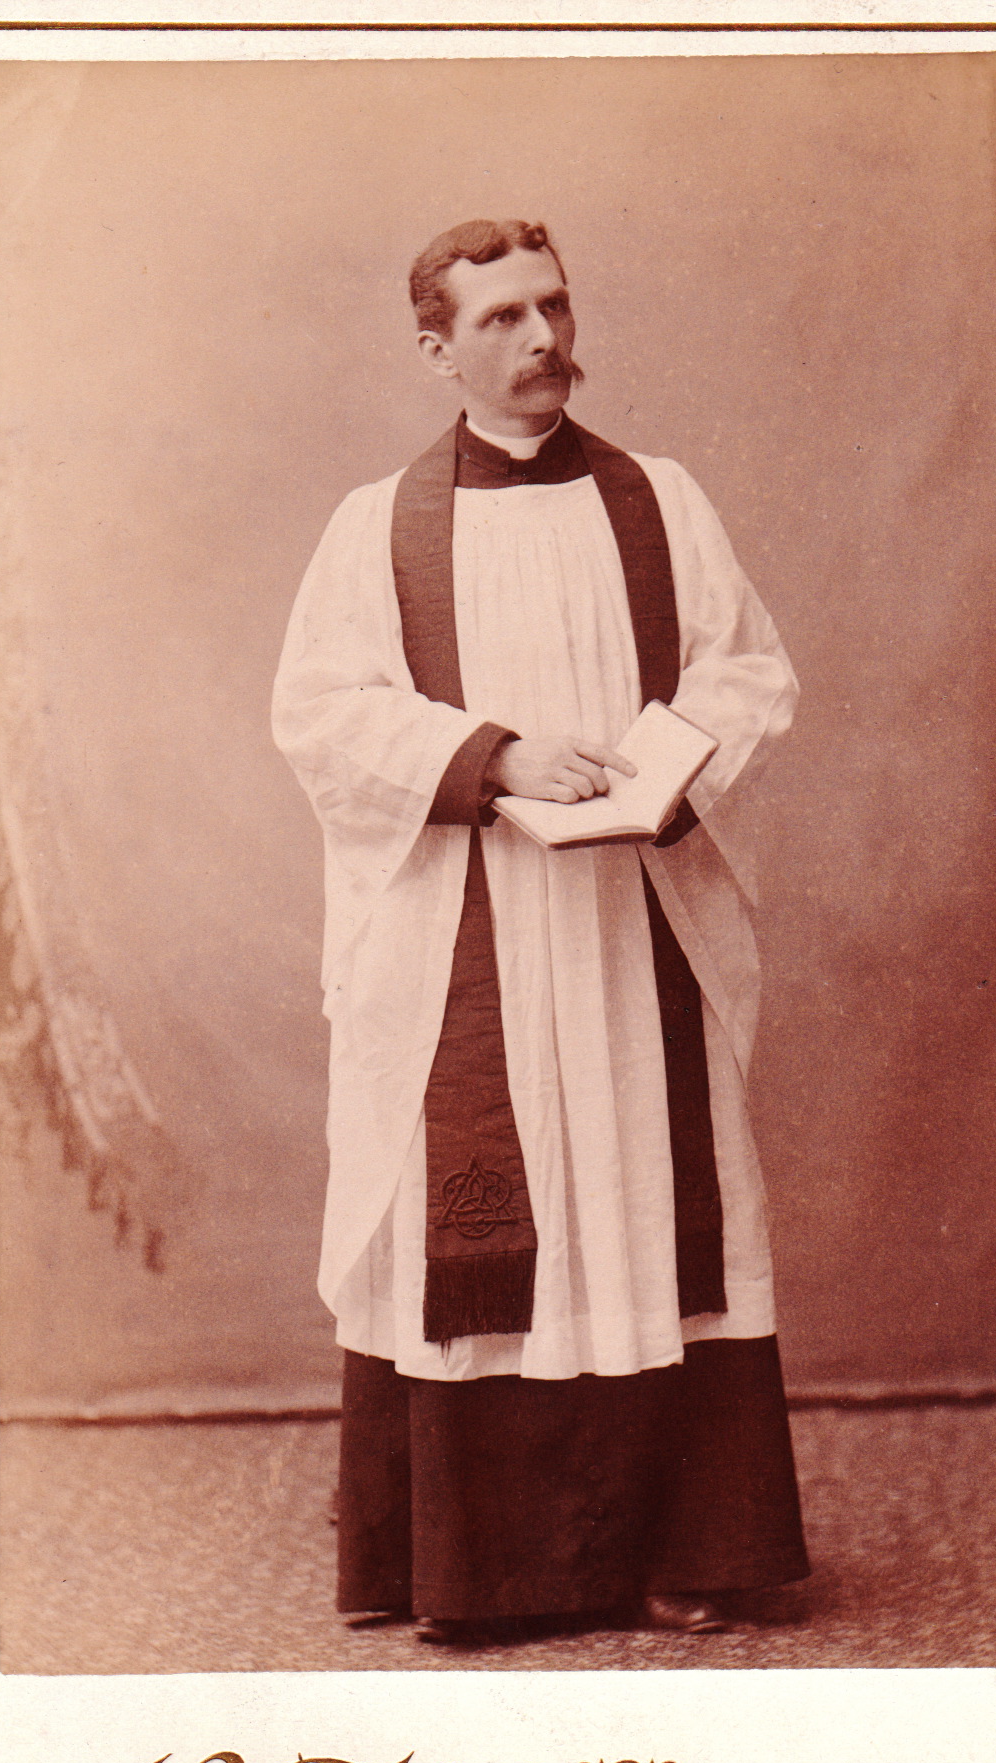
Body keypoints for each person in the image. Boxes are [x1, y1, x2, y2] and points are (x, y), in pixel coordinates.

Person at [272, 218, 809, 1646]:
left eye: (553, 307)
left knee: (647, 1206)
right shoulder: (378, 526)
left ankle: (687, 1550)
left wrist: (660, 775)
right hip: (472, 924)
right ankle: (478, 1575)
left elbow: (745, 674)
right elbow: (323, 713)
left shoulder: (659, 501)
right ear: (437, 349)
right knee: (490, 1225)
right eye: (501, 318)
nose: (541, 339)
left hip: (631, 920)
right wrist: (497, 757)